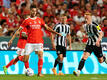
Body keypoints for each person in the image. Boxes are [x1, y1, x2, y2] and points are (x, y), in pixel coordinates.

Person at [8, 5, 61, 77]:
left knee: (40, 54)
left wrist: (56, 33)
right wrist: (11, 39)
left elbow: (47, 28)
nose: (34, 12)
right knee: (25, 59)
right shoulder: (26, 20)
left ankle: (39, 73)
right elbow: (18, 31)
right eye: (33, 11)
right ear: (30, 11)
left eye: (35, 11)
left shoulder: (40, 20)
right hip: (29, 43)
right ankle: (18, 58)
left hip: (39, 42)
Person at [73, 12, 107, 77]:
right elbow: (89, 34)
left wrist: (98, 40)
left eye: (87, 18)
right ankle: (78, 71)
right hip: (89, 44)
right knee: (84, 57)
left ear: (91, 18)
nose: (86, 20)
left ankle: (104, 58)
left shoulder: (95, 24)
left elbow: (101, 33)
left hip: (97, 45)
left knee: (100, 60)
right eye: (85, 18)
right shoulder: (85, 26)